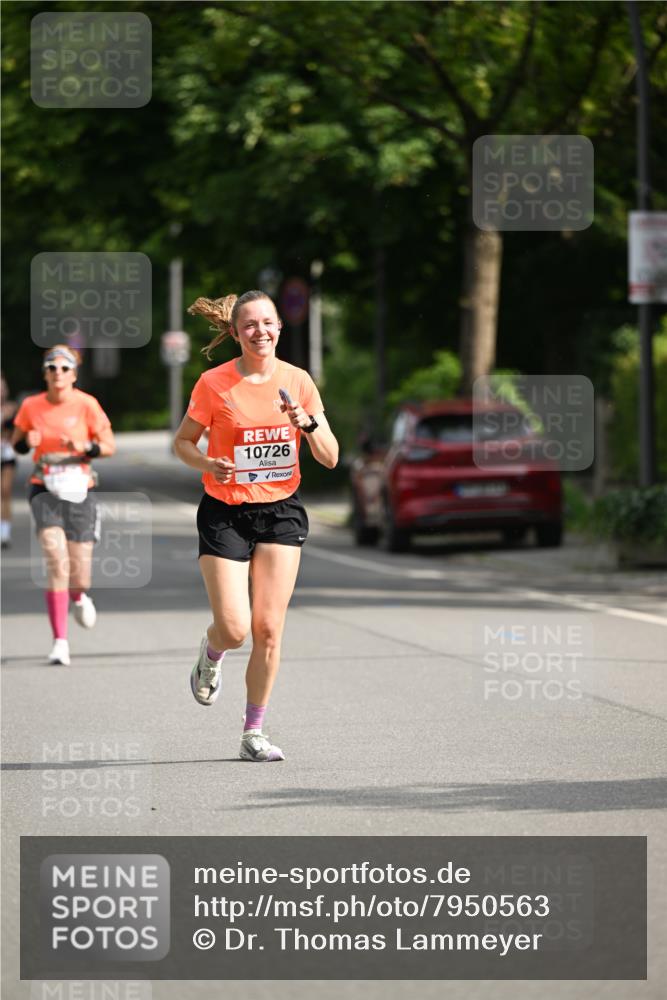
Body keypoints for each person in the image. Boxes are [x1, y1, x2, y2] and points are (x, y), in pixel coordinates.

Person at [174, 290, 339, 762]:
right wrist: (207, 461)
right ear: (235, 332)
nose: (260, 331)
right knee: (235, 628)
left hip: (281, 510)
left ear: (279, 328)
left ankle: (253, 733)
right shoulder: (213, 384)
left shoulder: (298, 381)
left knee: (269, 628)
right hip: (225, 510)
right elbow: (182, 442)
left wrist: (306, 423)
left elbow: (330, 457)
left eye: (268, 323)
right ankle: (211, 652)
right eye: (250, 325)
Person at [11, 345, 116, 665]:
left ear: (74, 373)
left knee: (79, 573)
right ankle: (60, 641)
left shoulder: (87, 405)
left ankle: (79, 594)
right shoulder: (31, 406)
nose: (58, 373)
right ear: (45, 373)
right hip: (45, 488)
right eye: (52, 367)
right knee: (56, 561)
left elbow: (109, 446)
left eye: (64, 368)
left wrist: (84, 446)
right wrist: (24, 443)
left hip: (80, 490)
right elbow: (16, 444)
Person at [1, 373, 18, 548]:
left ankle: (5, 533)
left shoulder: (11, 408)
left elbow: (17, 432)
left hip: (6, 455)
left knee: (5, 491)